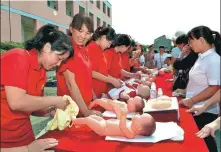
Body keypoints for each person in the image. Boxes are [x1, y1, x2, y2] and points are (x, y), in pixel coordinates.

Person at [1, 25, 73, 151]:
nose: (58, 64)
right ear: (47, 47)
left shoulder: (41, 71)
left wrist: (51, 111)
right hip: (5, 138)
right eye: (59, 58)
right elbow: (17, 102)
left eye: (62, 61)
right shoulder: (18, 57)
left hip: (24, 134)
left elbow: (32, 107)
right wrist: (55, 100)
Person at [179, 26, 220, 152]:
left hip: (205, 110)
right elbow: (200, 81)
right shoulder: (202, 57)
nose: (190, 45)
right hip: (199, 107)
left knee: (205, 143)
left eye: (191, 41)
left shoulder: (213, 60)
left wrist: (192, 100)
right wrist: (185, 92)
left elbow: (215, 87)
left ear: (201, 40)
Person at [56, 13, 102, 117]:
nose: (83, 36)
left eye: (87, 33)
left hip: (84, 106)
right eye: (80, 31)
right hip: (71, 110)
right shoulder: (67, 49)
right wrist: (86, 113)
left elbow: (87, 77)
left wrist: (94, 99)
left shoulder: (83, 49)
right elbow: (71, 84)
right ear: (71, 29)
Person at [72, 107, 156, 138]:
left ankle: (74, 121)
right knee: (91, 117)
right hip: (104, 122)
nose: (138, 115)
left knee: (88, 120)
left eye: (140, 116)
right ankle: (78, 124)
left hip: (103, 129)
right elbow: (118, 120)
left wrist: (123, 116)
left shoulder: (131, 133)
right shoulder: (130, 123)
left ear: (139, 127)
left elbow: (122, 127)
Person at [86, 26, 122, 99]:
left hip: (100, 93)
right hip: (93, 94)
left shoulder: (100, 50)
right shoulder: (91, 48)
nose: (109, 46)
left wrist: (114, 80)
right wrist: (111, 80)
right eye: (109, 43)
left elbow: (103, 72)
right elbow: (91, 72)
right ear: (103, 37)